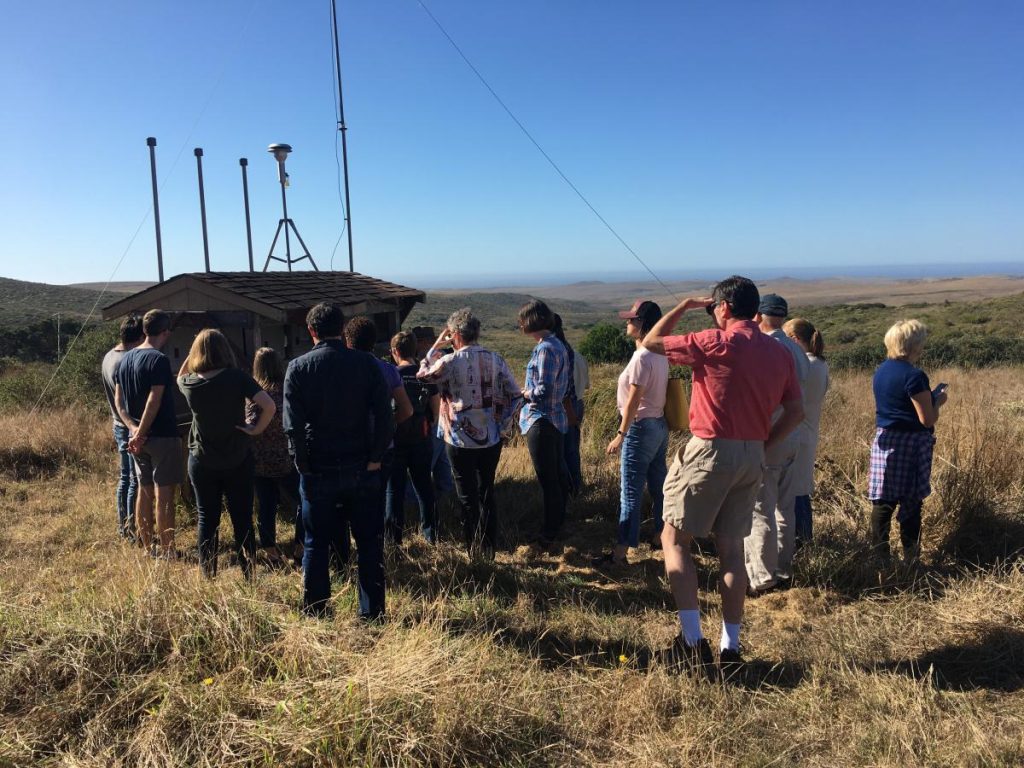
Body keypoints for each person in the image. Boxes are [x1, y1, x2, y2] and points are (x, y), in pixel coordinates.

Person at [643, 276, 803, 674]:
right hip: (753, 453)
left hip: (711, 448)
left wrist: (682, 307)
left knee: (674, 537)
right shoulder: (778, 351)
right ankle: (729, 648)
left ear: (725, 308)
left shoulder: (716, 342)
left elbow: (649, 343)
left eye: (715, 307)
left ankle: (692, 642)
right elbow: (796, 412)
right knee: (731, 550)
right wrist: (763, 446)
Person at [284, 303, 392, 619]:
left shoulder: (298, 368)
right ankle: (372, 613)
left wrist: (302, 464)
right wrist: (376, 458)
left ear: (311, 331)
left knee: (316, 543)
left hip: (318, 467)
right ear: (342, 328)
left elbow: (292, 425)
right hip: (362, 465)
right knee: (369, 543)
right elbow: (385, 415)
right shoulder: (367, 364)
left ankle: (317, 611)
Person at [418, 308, 522, 557]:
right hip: (491, 438)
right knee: (486, 490)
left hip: (458, 439)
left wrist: (434, 348)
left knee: (467, 496)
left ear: (454, 334)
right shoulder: (495, 358)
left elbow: (422, 376)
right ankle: (489, 548)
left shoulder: (449, 362)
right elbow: (515, 394)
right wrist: (503, 424)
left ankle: (473, 549)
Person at [178, 329, 275, 578]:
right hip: (237, 457)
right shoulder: (236, 378)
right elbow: (269, 406)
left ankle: (208, 574)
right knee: (242, 518)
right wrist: (255, 430)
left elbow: (181, 374)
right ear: (225, 350)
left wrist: (192, 355)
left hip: (201, 459)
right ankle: (249, 573)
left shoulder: (190, 383)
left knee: (206, 519)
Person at [745, 293, 809, 596]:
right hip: (794, 434)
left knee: (760, 509)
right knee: (785, 507)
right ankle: (784, 568)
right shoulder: (797, 350)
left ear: (759, 315)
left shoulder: (767, 348)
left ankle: (761, 577)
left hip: (771, 434)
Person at [596, 300, 669, 566]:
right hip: (659, 425)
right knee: (660, 486)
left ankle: (620, 553)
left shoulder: (642, 357)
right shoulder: (660, 354)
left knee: (631, 492)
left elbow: (634, 400)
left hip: (640, 427)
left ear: (642, 324)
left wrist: (620, 434)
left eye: (631, 320)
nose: (627, 323)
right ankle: (661, 535)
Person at [869, 319, 946, 562]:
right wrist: (938, 401)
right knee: (911, 503)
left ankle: (879, 557)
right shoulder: (915, 376)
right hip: (911, 444)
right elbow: (927, 420)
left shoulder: (881, 370)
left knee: (883, 501)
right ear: (914, 345)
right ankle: (911, 558)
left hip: (884, 441)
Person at [114, 309, 182, 558]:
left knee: (144, 490)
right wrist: (141, 431)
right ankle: (167, 549)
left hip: (136, 439)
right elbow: (155, 399)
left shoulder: (125, 360)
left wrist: (132, 430)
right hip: (161, 434)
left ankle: (146, 546)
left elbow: (118, 401)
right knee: (164, 494)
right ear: (165, 332)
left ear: (144, 330)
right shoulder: (158, 360)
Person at [518, 299, 571, 547]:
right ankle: (558, 524)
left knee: (548, 479)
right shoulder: (556, 344)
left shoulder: (545, 349)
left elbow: (544, 389)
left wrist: (524, 393)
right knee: (556, 477)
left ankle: (549, 532)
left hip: (542, 419)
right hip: (555, 419)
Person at [386, 330, 440, 545]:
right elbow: (435, 405)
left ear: (395, 351)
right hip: (421, 437)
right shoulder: (424, 373)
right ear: (414, 349)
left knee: (394, 490)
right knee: (425, 487)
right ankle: (431, 535)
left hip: (396, 439)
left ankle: (393, 539)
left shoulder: (391, 374)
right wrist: (432, 422)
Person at [247, 347, 299, 568]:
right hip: (286, 458)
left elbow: (250, 424)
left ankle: (270, 551)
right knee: (302, 502)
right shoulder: (288, 391)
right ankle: (301, 546)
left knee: (266, 506)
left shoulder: (254, 396)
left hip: (260, 461)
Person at [783, 318, 830, 545]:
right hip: (807, 433)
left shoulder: (806, 366)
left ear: (794, 340)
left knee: (796, 493)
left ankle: (802, 541)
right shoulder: (819, 363)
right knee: (799, 489)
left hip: (797, 434)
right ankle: (804, 540)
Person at [101, 314, 143, 541]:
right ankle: (131, 530)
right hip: (129, 425)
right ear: (140, 337)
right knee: (133, 480)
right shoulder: (126, 361)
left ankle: (124, 527)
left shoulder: (109, 356)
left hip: (117, 423)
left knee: (124, 477)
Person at [552, 313, 584, 497]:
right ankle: (576, 486)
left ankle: (568, 489)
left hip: (565, 406)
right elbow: (586, 384)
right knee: (572, 450)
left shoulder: (557, 353)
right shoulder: (575, 354)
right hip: (578, 403)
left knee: (562, 452)